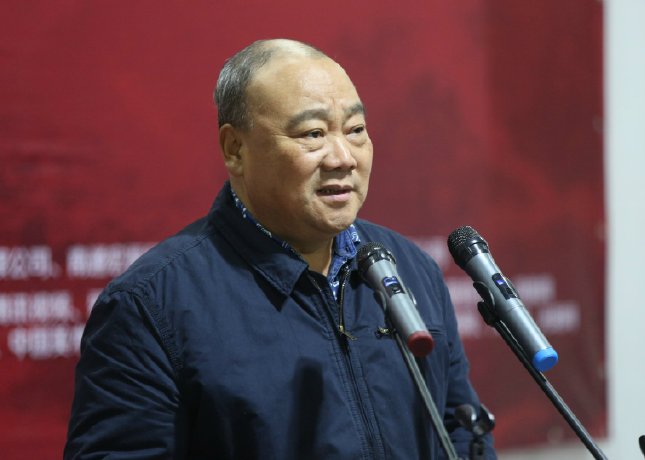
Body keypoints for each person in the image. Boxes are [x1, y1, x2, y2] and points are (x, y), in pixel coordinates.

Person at [64, 38, 497, 460]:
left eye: (355, 130)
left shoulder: (411, 269)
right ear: (235, 149)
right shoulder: (149, 306)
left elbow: (459, 432)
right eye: (313, 133)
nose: (343, 157)